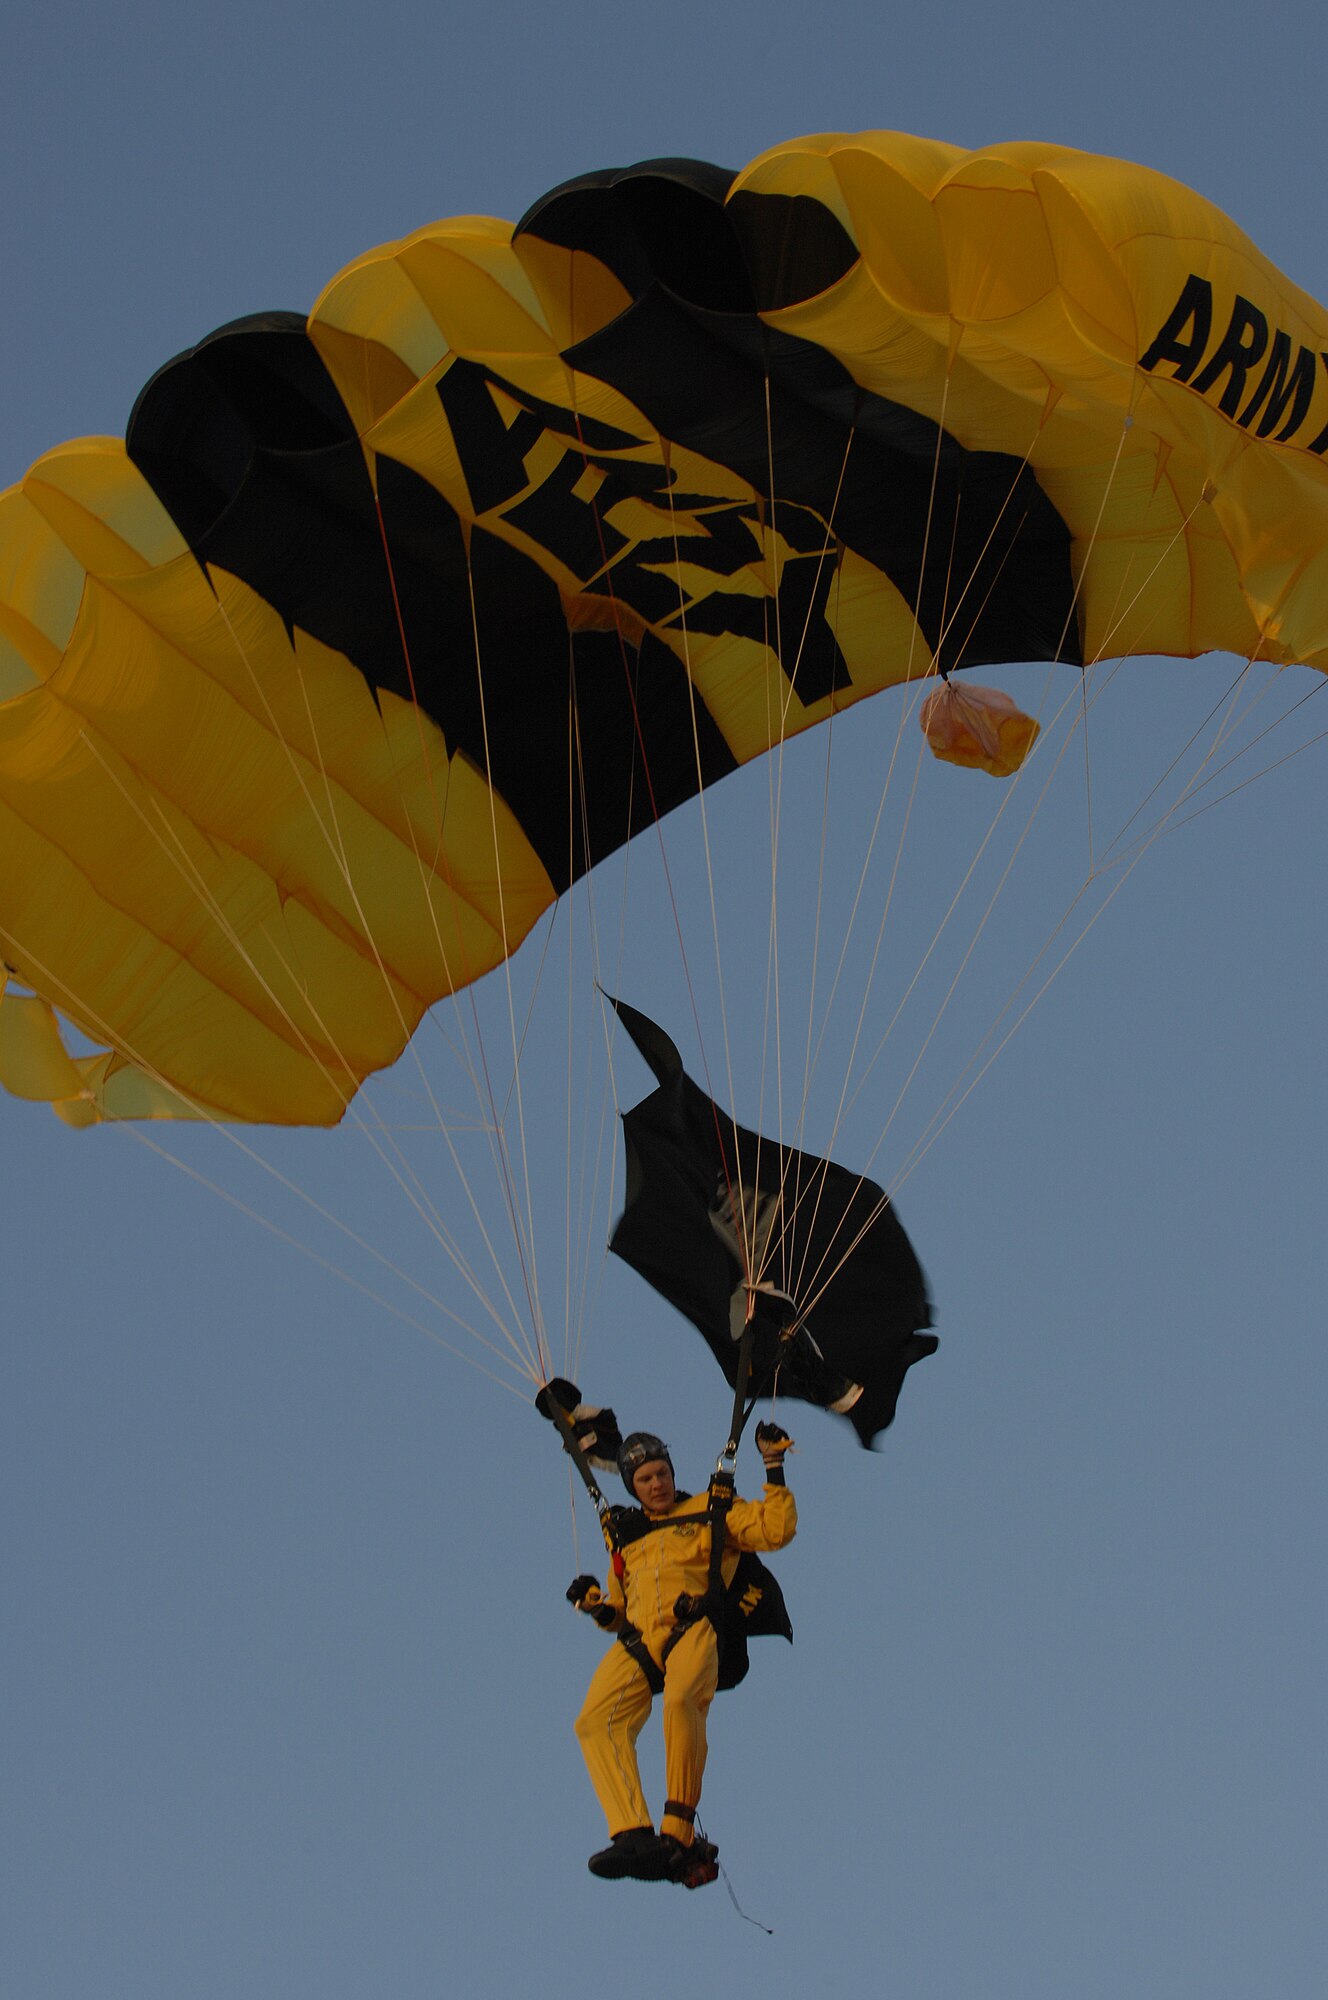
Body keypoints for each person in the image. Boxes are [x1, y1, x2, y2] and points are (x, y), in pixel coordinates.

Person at [568, 1423, 796, 1883]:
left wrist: (773, 1466)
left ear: (672, 1474)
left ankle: (678, 1830)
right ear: (633, 1486)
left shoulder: (710, 1509)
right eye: (645, 1480)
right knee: (594, 1721)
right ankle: (633, 1834)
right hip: (643, 1637)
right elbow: (622, 1609)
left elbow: (775, 1531)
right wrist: (596, 1606)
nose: (657, 1485)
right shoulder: (628, 1535)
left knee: (680, 1702)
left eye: (661, 1474)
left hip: (695, 1625)